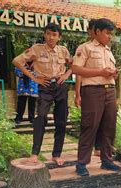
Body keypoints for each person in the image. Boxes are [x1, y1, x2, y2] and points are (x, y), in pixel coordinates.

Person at [12, 23, 72, 167]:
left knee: (61, 120)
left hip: (60, 86)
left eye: (54, 35)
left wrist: (67, 74)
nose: (51, 37)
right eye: (49, 34)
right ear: (44, 34)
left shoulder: (63, 51)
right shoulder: (36, 49)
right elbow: (17, 61)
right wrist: (34, 78)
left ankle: (56, 154)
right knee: (41, 117)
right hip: (45, 86)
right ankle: (35, 153)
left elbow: (74, 64)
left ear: (59, 37)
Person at [72, 18, 121, 176]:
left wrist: (114, 73)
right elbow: (75, 68)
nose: (110, 36)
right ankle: (81, 163)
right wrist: (100, 72)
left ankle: (106, 160)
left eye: (111, 34)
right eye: (107, 33)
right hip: (93, 91)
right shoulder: (85, 48)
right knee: (90, 125)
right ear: (97, 31)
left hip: (110, 90)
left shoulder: (108, 50)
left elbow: (108, 71)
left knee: (109, 126)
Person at [74, 18, 101, 157]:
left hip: (103, 92)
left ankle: (98, 148)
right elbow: (78, 72)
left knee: (101, 122)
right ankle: (84, 154)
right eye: (94, 30)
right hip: (89, 91)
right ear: (90, 31)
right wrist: (77, 94)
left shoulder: (105, 49)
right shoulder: (85, 48)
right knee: (89, 122)